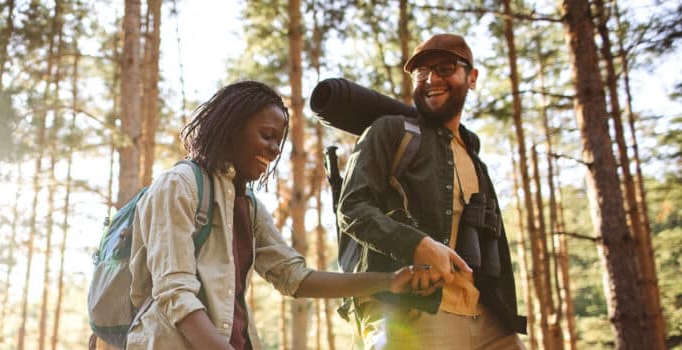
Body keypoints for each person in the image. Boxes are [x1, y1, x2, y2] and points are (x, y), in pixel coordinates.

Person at [126, 80, 423, 350]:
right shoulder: (178, 185)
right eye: (267, 136)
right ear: (232, 128)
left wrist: (389, 281)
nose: (273, 150)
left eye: (278, 143)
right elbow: (175, 294)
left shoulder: (249, 206)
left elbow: (294, 277)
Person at [336, 33, 527, 349]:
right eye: (421, 72)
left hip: (486, 317)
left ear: (472, 77)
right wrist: (416, 244)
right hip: (411, 311)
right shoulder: (390, 131)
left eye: (445, 68)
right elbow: (352, 207)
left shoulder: (477, 161)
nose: (431, 79)